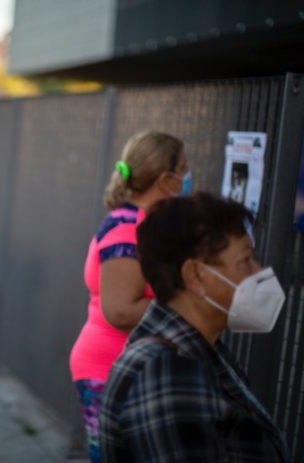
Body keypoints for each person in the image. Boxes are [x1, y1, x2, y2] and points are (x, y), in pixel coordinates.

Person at [100, 192, 289, 462]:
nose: (258, 271)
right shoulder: (164, 373)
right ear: (195, 276)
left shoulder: (198, 351)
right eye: (246, 260)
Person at [68, 131, 191, 463]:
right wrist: (192, 303)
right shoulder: (127, 229)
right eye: (183, 169)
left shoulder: (146, 223)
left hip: (134, 367)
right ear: (164, 179)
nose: (187, 177)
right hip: (109, 369)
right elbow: (120, 310)